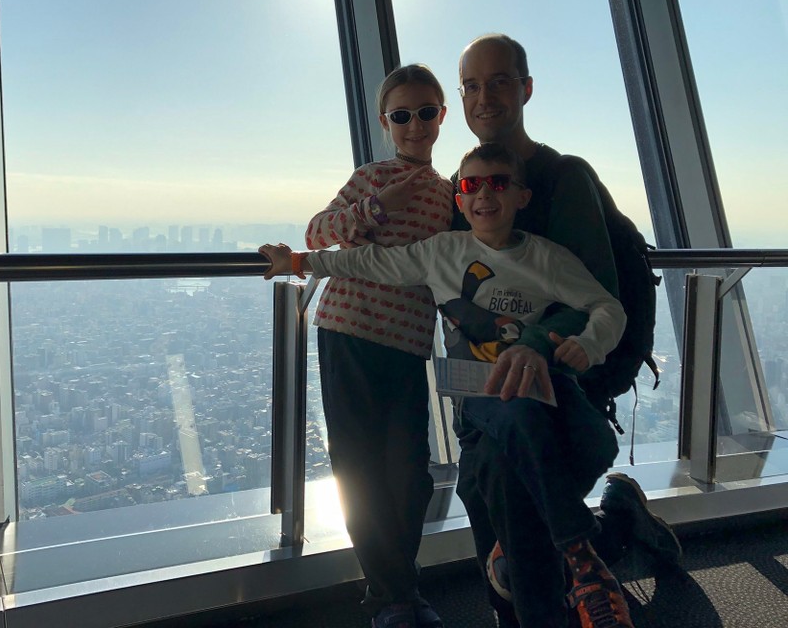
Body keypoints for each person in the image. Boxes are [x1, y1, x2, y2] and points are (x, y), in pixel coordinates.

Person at [261, 142, 635, 628]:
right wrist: (300, 264)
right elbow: (371, 263)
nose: (484, 194)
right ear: (458, 200)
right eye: (470, 185)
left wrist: (589, 345)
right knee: (516, 414)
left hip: (544, 387)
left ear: (522, 196)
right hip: (478, 393)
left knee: (598, 442)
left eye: (498, 182)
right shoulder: (444, 252)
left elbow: (609, 308)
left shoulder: (548, 259)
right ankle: (582, 558)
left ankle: (520, 542)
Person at [451, 34, 681, 628]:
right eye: (471, 86)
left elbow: (593, 296)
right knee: (509, 517)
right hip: (485, 384)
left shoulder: (563, 179)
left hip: (558, 380)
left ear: (526, 88)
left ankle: (557, 582)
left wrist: (531, 344)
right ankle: (610, 530)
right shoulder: (468, 186)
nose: (484, 97)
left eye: (499, 80)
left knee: (505, 504)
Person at [297, 63, 453, 628]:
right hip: (347, 332)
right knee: (359, 467)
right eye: (402, 115)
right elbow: (316, 232)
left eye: (426, 112)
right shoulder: (370, 177)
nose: (416, 126)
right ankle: (393, 595)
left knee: (409, 473)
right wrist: (373, 208)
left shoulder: (451, 195)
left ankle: (396, 589)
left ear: (442, 115)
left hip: (408, 343)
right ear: (386, 122)